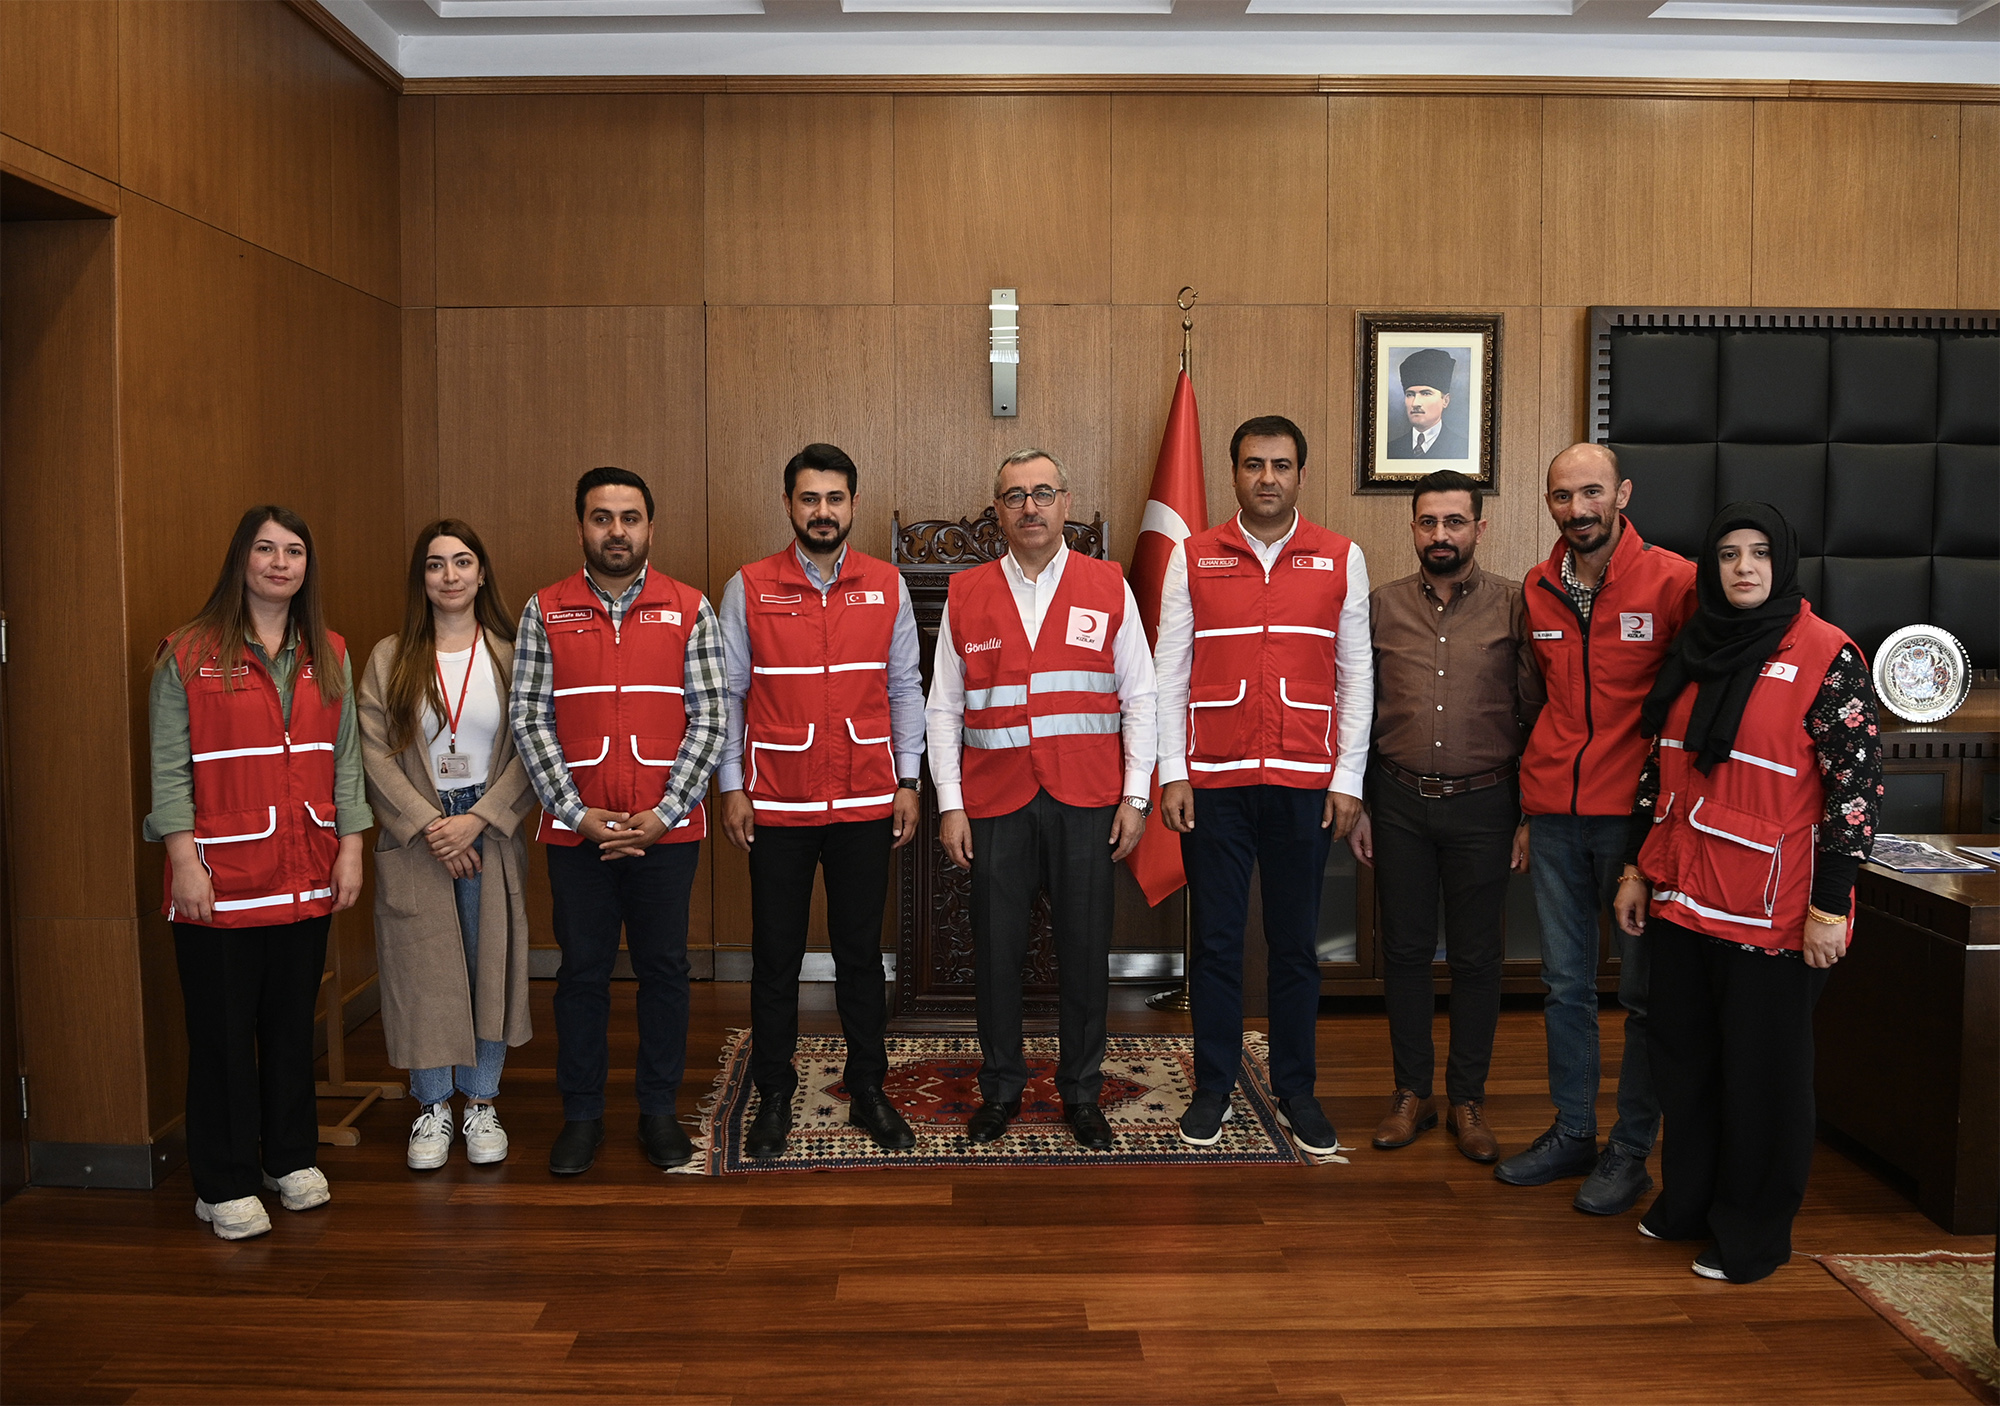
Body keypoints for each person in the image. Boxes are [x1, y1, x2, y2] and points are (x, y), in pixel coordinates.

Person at [1614, 503, 1880, 1283]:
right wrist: (1637, 868)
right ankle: (1689, 1201)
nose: (1743, 568)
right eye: (1728, 554)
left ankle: (1753, 1235)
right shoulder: (1696, 644)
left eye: (1759, 553)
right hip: (1686, 898)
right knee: (1685, 1065)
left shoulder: (1829, 656)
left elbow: (1855, 795)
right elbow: (1655, 767)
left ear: (1784, 561)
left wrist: (1830, 907)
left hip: (1776, 913)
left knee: (1762, 1079)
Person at [145, 506, 369, 1240]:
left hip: (305, 870)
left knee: (287, 1025)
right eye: (266, 549)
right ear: (240, 558)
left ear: (308, 566)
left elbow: (346, 762)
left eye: (294, 550)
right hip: (218, 877)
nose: (280, 562)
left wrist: (352, 847)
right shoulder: (186, 653)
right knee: (222, 1033)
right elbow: (171, 769)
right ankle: (224, 1179)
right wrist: (184, 861)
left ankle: (290, 1158)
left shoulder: (329, 651)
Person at [925, 448, 1155, 1151]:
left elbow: (1141, 695)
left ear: (1066, 503)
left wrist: (1136, 795)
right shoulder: (966, 594)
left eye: (1043, 492)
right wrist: (950, 803)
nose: (1030, 506)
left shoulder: (1108, 584)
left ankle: (1082, 1094)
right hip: (994, 804)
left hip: (1087, 799)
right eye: (1015, 495)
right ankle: (1000, 1090)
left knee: (1085, 953)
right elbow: (943, 708)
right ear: (997, 509)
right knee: (997, 956)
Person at [1155, 415, 1370, 1157]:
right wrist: (1171, 771)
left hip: (1306, 778)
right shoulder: (1193, 555)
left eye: (1281, 465)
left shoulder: (1342, 556)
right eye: (1253, 465)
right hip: (1213, 777)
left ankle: (1296, 1089)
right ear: (1234, 472)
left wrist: (1348, 779)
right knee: (1214, 943)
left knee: (1295, 945)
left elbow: (1357, 676)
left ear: (1300, 475)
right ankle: (1212, 1087)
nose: (1267, 478)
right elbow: (1168, 669)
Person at [1497, 443, 1697, 1214]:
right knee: (1565, 986)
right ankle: (1572, 1131)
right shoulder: (1540, 588)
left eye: (1590, 493)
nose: (1576, 510)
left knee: (1642, 996)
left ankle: (1629, 1149)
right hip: (1552, 816)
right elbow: (1536, 705)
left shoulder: (1674, 581)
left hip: (1636, 823)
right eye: (1560, 496)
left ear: (1622, 494)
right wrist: (1524, 811)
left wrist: (1664, 833)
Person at [511, 467, 725, 1176]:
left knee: (666, 970)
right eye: (602, 518)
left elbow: (712, 718)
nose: (616, 531)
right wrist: (575, 814)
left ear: (649, 528)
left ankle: (659, 1112)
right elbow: (529, 719)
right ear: (581, 526)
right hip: (579, 834)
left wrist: (665, 813)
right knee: (582, 974)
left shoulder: (689, 606)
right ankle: (581, 1116)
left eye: (629, 518)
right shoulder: (545, 610)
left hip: (667, 831)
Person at [717, 444, 924, 1160]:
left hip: (867, 798)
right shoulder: (747, 586)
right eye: (810, 499)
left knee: (861, 957)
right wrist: (731, 787)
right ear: (788, 505)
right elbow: (730, 696)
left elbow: (904, 688)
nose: (823, 512)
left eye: (835, 499)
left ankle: (868, 1088)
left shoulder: (887, 584)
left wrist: (909, 780)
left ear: (853, 505)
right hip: (778, 801)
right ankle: (775, 1091)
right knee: (775, 958)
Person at [1349, 470, 1541, 1163]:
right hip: (1397, 800)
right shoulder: (1380, 607)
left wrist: (1529, 816)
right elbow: (1359, 712)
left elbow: (1537, 715)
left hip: (1487, 803)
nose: (1441, 535)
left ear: (1478, 528)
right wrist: (1363, 803)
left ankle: (1468, 1100)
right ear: (1413, 527)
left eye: (1454, 522)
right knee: (1401, 952)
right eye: (1428, 522)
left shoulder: (1515, 607)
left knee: (1477, 957)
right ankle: (1411, 1095)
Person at [358, 520, 537, 1171]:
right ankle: (432, 1106)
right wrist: (433, 826)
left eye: (463, 562)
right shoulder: (389, 658)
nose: (451, 575)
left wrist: (480, 819)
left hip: (490, 832)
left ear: (482, 573)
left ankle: (481, 1101)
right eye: (436, 565)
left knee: (488, 964)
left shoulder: (512, 655)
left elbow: (532, 750)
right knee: (425, 971)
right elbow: (373, 755)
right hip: (417, 834)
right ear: (422, 579)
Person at [1385, 349, 1469, 461]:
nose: (1415, 403)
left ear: (1445, 401)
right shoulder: (1390, 450)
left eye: (1426, 393)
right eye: (1410, 394)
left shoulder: (1464, 449)